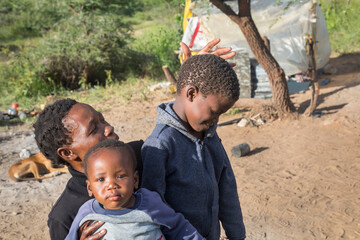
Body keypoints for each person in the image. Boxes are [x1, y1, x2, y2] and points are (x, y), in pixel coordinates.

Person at [33, 39, 237, 240]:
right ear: (68, 153)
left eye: (102, 119)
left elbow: (181, 124)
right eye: (94, 128)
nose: (108, 128)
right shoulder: (64, 216)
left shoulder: (139, 154)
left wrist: (197, 77)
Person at [141, 54, 246, 240]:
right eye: (214, 112)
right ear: (191, 93)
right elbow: (152, 209)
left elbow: (226, 186)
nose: (216, 120)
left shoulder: (210, 135)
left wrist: (237, 235)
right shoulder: (160, 144)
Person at [65, 139, 204, 240]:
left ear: (135, 180)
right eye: (101, 179)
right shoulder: (87, 214)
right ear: (90, 188)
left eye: (120, 176)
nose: (111, 185)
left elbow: (179, 228)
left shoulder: (150, 203)